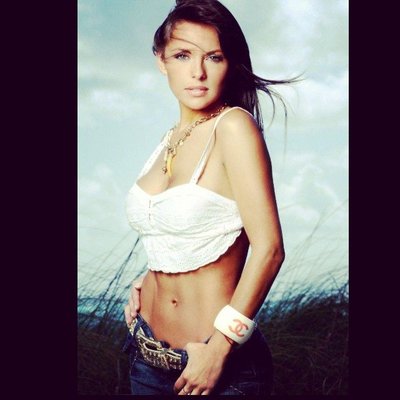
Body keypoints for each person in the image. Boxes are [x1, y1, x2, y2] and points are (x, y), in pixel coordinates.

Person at [123, 0, 299, 395]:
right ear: (161, 60)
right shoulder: (168, 140)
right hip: (145, 358)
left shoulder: (233, 127)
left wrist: (220, 349)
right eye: (182, 55)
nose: (198, 72)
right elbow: (187, 236)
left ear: (230, 63)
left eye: (213, 57)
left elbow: (270, 249)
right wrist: (147, 282)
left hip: (216, 366)